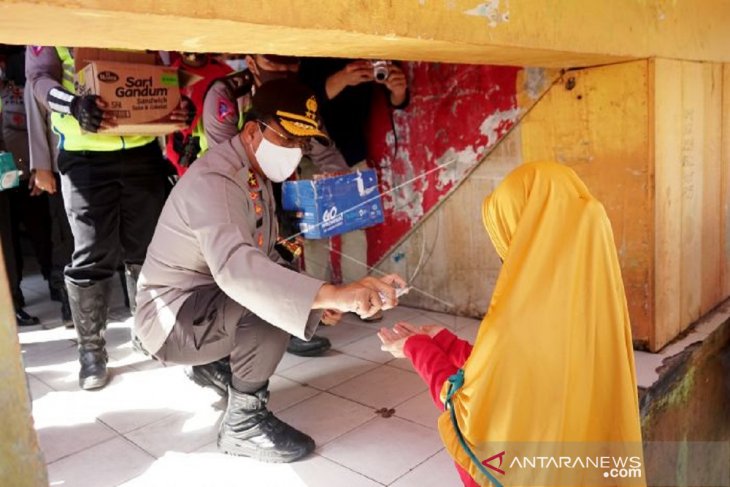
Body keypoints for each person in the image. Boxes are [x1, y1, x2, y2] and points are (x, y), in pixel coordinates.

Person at [135, 78, 405, 462]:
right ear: (251, 131)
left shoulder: (252, 173)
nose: (296, 152)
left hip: (199, 305)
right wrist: (330, 294)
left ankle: (212, 369)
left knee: (283, 296)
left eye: (302, 143)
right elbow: (240, 274)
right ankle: (243, 425)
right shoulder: (218, 181)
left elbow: (267, 257)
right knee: (266, 306)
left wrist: (322, 298)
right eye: (288, 139)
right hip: (171, 321)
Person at [379, 162, 645, 486]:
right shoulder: (598, 304)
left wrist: (415, 347)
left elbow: (472, 411)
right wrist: (446, 343)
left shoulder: (520, 315)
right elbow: (520, 371)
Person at [25, 46, 193, 390]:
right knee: (92, 254)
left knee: (145, 251)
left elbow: (164, 72)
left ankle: (147, 333)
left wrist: (177, 103)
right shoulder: (50, 15)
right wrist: (73, 104)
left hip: (143, 150)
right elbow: (39, 79)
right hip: (85, 154)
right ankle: (91, 351)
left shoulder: (133, 13)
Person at [197, 53, 349, 358]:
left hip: (275, 179)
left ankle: (287, 323)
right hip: (224, 183)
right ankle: (215, 341)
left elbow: (324, 151)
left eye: (292, 64)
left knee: (285, 248)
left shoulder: (298, 96)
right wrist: (270, 211)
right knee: (241, 255)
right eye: (274, 64)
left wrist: (343, 189)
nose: (284, 70)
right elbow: (230, 160)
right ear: (252, 63)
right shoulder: (226, 95)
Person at [299, 58, 409, 317]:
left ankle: (363, 299)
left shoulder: (372, 56)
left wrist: (398, 89)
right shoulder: (311, 56)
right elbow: (304, 104)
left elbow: (398, 101)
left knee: (356, 230)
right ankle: (318, 305)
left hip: (354, 153)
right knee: (316, 234)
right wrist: (342, 79)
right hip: (314, 156)